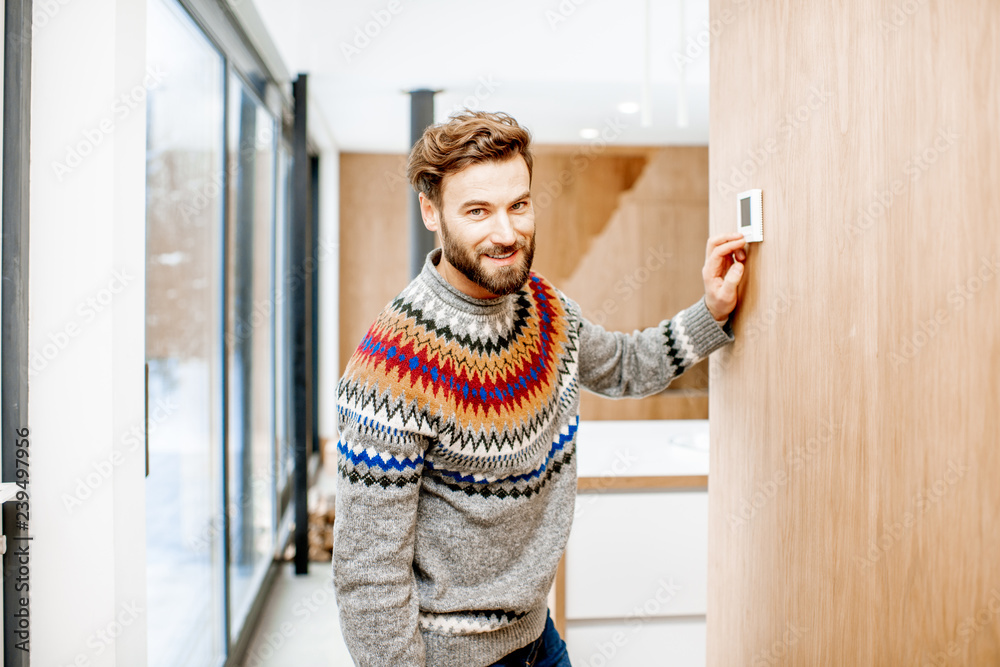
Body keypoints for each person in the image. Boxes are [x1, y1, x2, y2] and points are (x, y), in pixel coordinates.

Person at [333, 110, 747, 667]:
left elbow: (625, 364)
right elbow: (368, 578)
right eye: (478, 211)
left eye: (519, 205)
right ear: (432, 213)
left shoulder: (543, 306)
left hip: (538, 640)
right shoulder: (390, 368)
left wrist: (711, 310)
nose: (506, 234)